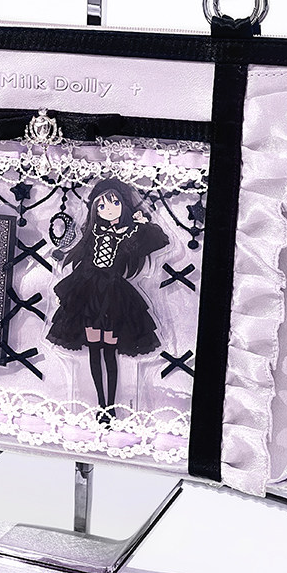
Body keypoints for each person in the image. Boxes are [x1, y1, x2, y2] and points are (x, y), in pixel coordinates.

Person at [47, 179, 169, 424]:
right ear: (95, 209)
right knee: (95, 350)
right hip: (89, 295)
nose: (109, 209)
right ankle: (100, 404)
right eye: (101, 206)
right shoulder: (92, 233)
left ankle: (111, 406)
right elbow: (77, 253)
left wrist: (144, 223)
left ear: (124, 205)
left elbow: (160, 240)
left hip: (114, 297)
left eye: (114, 203)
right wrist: (62, 256)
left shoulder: (131, 233)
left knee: (110, 353)